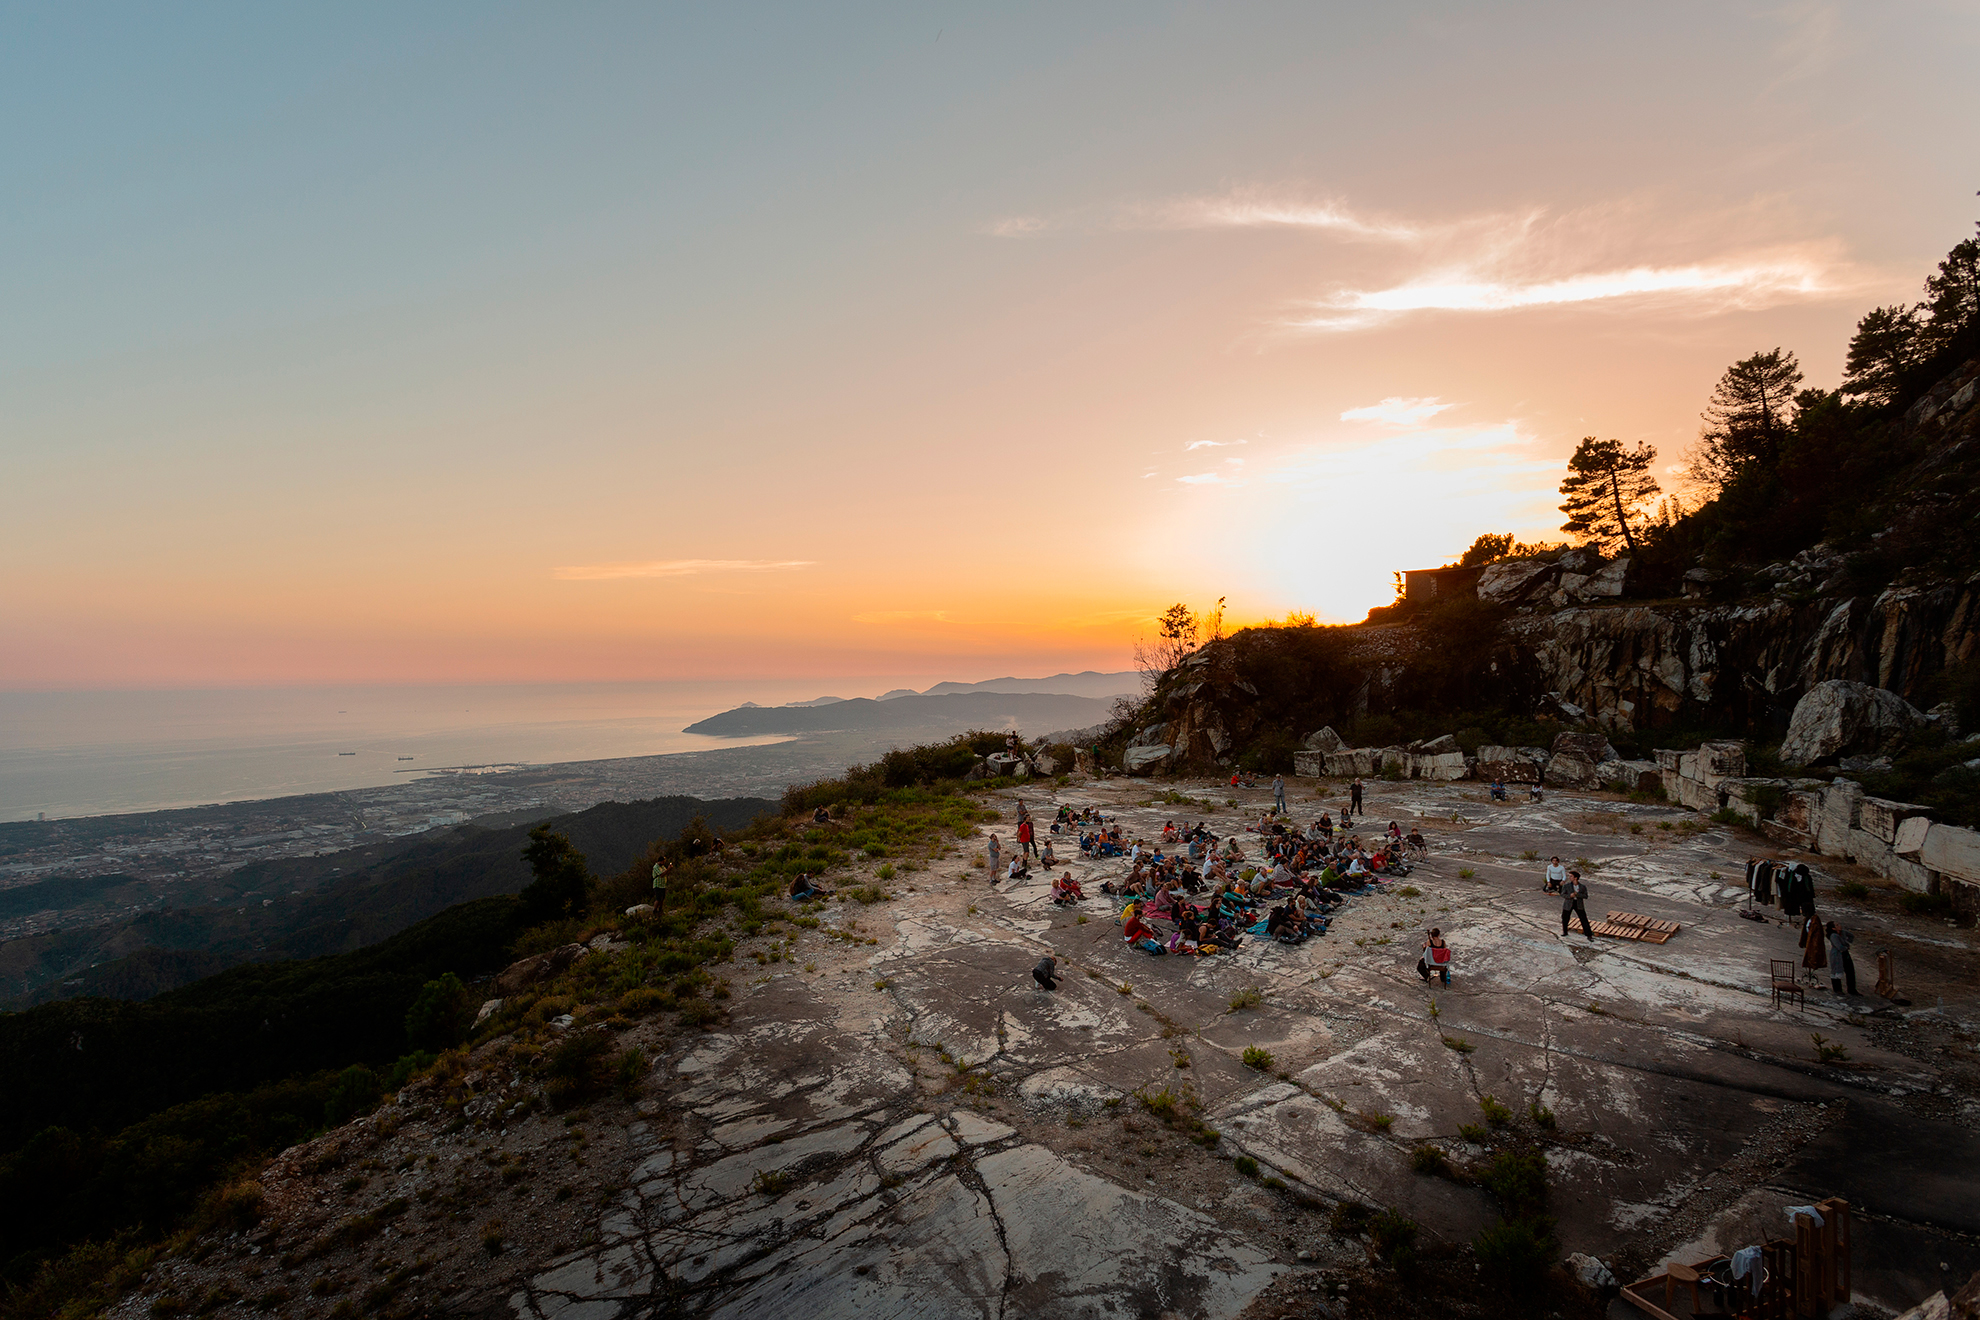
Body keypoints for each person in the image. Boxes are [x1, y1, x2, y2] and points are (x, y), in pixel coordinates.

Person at [1826, 920, 1857, 995]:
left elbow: (1851, 936)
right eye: (1837, 925)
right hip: (1837, 955)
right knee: (1836, 970)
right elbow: (1839, 946)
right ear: (1833, 928)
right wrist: (1846, 947)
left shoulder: (1842, 932)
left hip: (1845, 954)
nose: (1839, 926)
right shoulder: (1833, 936)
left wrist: (1847, 943)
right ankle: (1837, 989)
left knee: (1850, 971)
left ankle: (1852, 989)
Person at [1561, 871, 1593, 940]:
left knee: (1583, 918)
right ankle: (1565, 931)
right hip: (1568, 903)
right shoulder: (1567, 886)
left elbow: (1585, 896)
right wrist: (1570, 896)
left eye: (1571, 876)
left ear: (1575, 878)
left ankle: (1588, 934)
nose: (1569, 877)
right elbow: (1563, 894)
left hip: (1578, 903)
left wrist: (1577, 894)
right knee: (1565, 918)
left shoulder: (1582, 887)